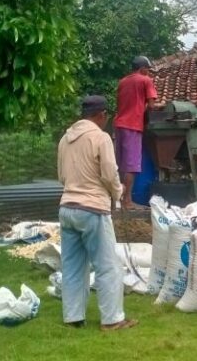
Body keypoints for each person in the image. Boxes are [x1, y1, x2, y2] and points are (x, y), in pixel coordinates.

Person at [57, 95, 137, 331]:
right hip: (92, 209)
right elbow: (110, 173)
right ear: (101, 115)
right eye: (106, 117)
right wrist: (118, 192)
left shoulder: (65, 139)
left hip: (67, 207)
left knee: (72, 266)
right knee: (108, 266)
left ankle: (73, 317)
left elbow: (62, 176)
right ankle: (112, 320)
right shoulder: (101, 138)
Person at [114, 55, 163, 209]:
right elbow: (152, 106)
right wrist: (162, 104)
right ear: (142, 69)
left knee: (121, 164)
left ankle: (119, 199)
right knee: (132, 165)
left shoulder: (122, 82)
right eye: (148, 70)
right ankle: (127, 201)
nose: (149, 73)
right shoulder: (145, 80)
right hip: (133, 126)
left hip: (119, 125)